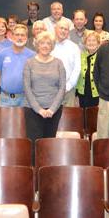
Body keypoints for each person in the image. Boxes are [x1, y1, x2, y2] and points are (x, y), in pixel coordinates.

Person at [23, 31, 66, 162]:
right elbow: (27, 88)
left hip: (54, 110)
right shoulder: (29, 63)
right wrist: (39, 110)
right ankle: (35, 175)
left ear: (52, 45)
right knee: (34, 146)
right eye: (42, 43)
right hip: (32, 110)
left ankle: (48, 173)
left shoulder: (59, 63)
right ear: (37, 45)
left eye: (48, 43)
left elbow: (62, 88)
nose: (45, 46)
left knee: (49, 145)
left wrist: (52, 109)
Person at [0, 24, 35, 107]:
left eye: (22, 35)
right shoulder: (3, 53)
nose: (19, 38)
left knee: (24, 120)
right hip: (5, 99)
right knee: (3, 120)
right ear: (12, 36)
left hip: (25, 99)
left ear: (26, 38)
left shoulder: (32, 55)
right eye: (17, 35)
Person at [52, 20, 82, 107]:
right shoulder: (49, 45)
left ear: (68, 32)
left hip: (68, 91)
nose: (63, 31)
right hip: (51, 90)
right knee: (51, 118)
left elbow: (77, 69)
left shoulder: (74, 47)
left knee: (70, 118)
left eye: (66, 29)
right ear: (55, 29)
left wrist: (68, 86)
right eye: (61, 28)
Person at [76, 31, 102, 108]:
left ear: (98, 43)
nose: (91, 43)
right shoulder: (80, 56)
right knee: (83, 118)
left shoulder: (102, 56)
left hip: (97, 94)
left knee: (95, 118)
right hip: (82, 94)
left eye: (94, 40)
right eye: (89, 40)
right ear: (85, 43)